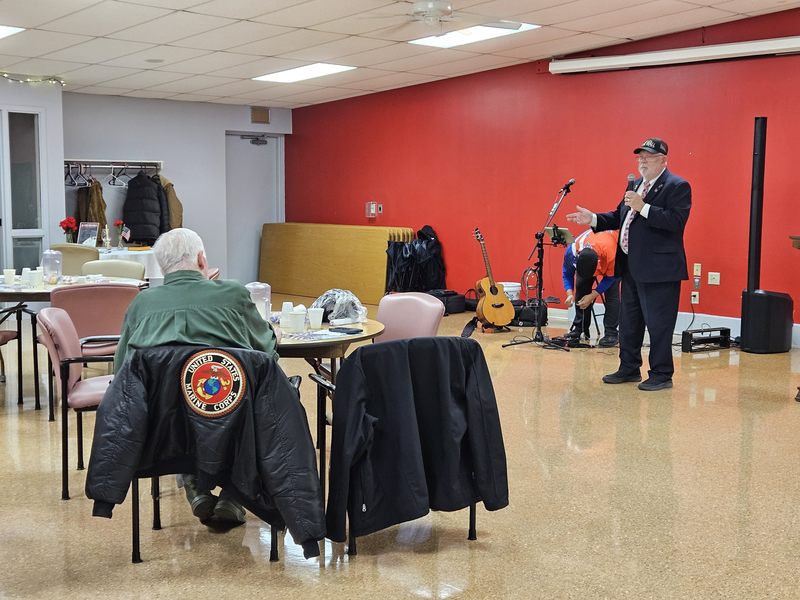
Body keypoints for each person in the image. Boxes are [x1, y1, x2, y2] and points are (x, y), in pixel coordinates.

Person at [115, 228, 279, 527]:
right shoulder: (233, 294)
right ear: (202, 260)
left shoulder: (141, 304)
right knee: (248, 397)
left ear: (162, 267)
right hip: (234, 413)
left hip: (163, 422)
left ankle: (195, 487)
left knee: (181, 402)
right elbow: (266, 353)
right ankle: (233, 495)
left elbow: (123, 369)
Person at [566, 138, 691, 391]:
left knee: (659, 324)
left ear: (663, 160)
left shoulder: (677, 186)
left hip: (659, 270)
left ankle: (661, 374)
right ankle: (629, 367)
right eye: (640, 157)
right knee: (630, 321)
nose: (642, 161)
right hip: (631, 267)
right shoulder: (636, 186)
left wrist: (643, 207)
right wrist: (592, 218)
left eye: (648, 156)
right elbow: (618, 217)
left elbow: (675, 222)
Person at [561, 229, 621, 347]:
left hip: (613, 252)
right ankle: (580, 327)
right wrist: (569, 294)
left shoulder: (611, 254)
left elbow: (612, 277)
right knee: (581, 286)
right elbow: (567, 273)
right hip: (595, 249)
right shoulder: (571, 252)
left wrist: (593, 295)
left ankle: (611, 333)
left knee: (612, 295)